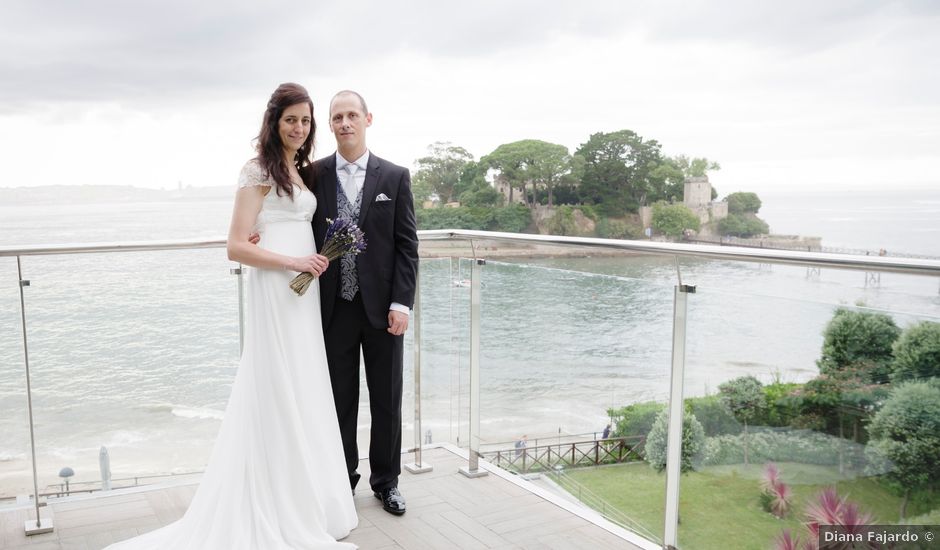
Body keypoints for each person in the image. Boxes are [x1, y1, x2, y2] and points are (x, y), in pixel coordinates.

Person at [105, 83, 358, 549]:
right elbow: (236, 245)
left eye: (305, 121)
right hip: (277, 287)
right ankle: (272, 501)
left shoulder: (298, 169)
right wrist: (294, 262)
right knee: (276, 382)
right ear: (274, 121)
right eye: (291, 120)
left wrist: (310, 260)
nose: (299, 128)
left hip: (301, 294)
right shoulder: (258, 168)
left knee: (303, 383)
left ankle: (308, 497)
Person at [303, 90, 419, 516]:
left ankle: (386, 481)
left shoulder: (394, 177)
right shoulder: (313, 176)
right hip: (334, 307)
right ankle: (341, 479)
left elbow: (407, 247)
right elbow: (298, 227)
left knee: (387, 397)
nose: (345, 123)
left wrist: (402, 304)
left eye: (352, 115)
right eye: (337, 117)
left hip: (383, 309)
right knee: (338, 399)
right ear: (330, 125)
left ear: (368, 119)